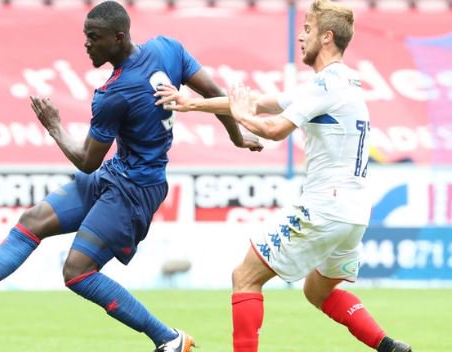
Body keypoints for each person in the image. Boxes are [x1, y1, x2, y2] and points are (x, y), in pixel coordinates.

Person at [0, 1, 262, 352]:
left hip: (135, 189)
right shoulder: (167, 48)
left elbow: (86, 160)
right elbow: (216, 93)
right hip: (119, 174)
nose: (87, 45)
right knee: (33, 221)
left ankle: (169, 340)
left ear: (118, 37)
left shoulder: (114, 94)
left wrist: (54, 126)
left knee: (77, 271)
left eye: (94, 38)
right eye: (85, 37)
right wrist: (237, 137)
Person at [154, 1, 412, 351]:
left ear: (327, 37)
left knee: (245, 277)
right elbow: (261, 103)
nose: (301, 37)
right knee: (317, 290)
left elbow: (273, 129)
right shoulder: (342, 83)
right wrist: (191, 103)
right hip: (354, 214)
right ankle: (388, 346)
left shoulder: (326, 85)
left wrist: (242, 118)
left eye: (307, 29)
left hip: (325, 206)